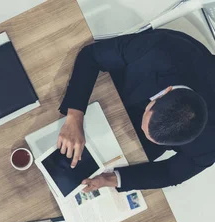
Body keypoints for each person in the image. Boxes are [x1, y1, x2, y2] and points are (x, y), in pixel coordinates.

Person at [57, 29, 213, 192]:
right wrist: (75, 117)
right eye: (145, 126)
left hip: (140, 141)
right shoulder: (159, 49)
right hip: (120, 83)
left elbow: (171, 173)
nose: (141, 127)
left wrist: (109, 180)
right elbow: (91, 56)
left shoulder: (209, 145)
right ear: (164, 93)